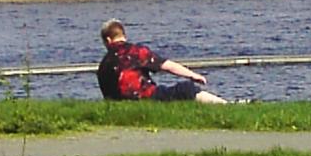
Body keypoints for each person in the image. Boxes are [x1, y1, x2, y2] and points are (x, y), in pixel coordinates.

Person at [97, 19, 227, 104]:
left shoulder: (103, 64)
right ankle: (225, 105)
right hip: (147, 96)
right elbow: (167, 66)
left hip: (123, 102)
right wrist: (193, 75)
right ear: (123, 35)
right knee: (185, 89)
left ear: (107, 40)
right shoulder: (136, 52)